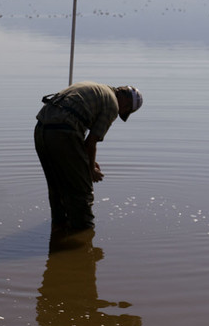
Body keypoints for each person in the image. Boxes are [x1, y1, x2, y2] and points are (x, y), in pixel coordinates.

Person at [34, 82, 142, 236]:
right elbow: (91, 142)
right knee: (83, 191)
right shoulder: (112, 104)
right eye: (125, 110)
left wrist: (87, 160)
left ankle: (58, 228)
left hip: (41, 130)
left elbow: (85, 145)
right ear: (126, 101)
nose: (121, 112)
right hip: (63, 132)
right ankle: (83, 238)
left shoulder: (97, 89)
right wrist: (90, 169)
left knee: (56, 186)